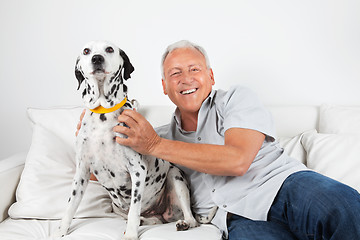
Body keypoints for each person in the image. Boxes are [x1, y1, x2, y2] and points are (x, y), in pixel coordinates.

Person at [83, 40, 360, 239]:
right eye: (175, 73)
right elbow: (108, 175)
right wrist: (97, 137)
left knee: (345, 208)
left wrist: (154, 145)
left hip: (281, 185)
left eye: (194, 69)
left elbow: (238, 161)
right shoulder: (158, 136)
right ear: (164, 86)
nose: (186, 79)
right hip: (234, 218)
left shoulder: (236, 100)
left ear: (211, 76)